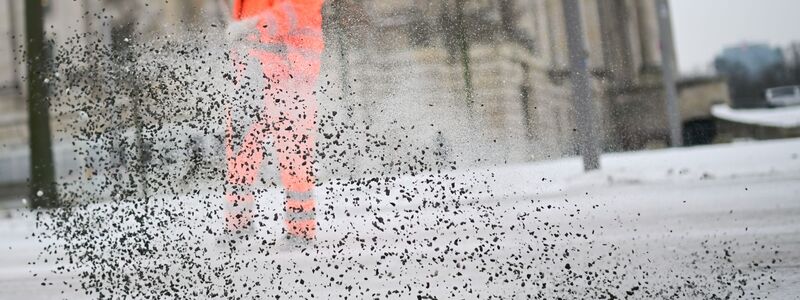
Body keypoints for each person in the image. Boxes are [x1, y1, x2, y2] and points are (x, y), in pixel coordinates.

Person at [223, 0, 324, 241]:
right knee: (239, 151)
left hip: (290, 71)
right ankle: (237, 225)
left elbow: (300, 8)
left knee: (294, 154)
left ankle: (300, 230)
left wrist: (256, 25)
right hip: (252, 69)